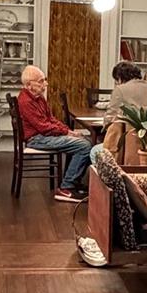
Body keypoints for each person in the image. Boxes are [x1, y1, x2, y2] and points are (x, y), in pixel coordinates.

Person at [17, 66, 93, 202]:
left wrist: (69, 132)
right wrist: (66, 132)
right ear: (29, 85)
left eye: (44, 80)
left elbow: (51, 119)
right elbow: (44, 127)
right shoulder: (26, 101)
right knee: (84, 146)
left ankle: (73, 182)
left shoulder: (38, 98)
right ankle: (67, 187)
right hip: (37, 139)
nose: (45, 84)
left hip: (43, 135)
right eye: (41, 81)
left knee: (85, 142)